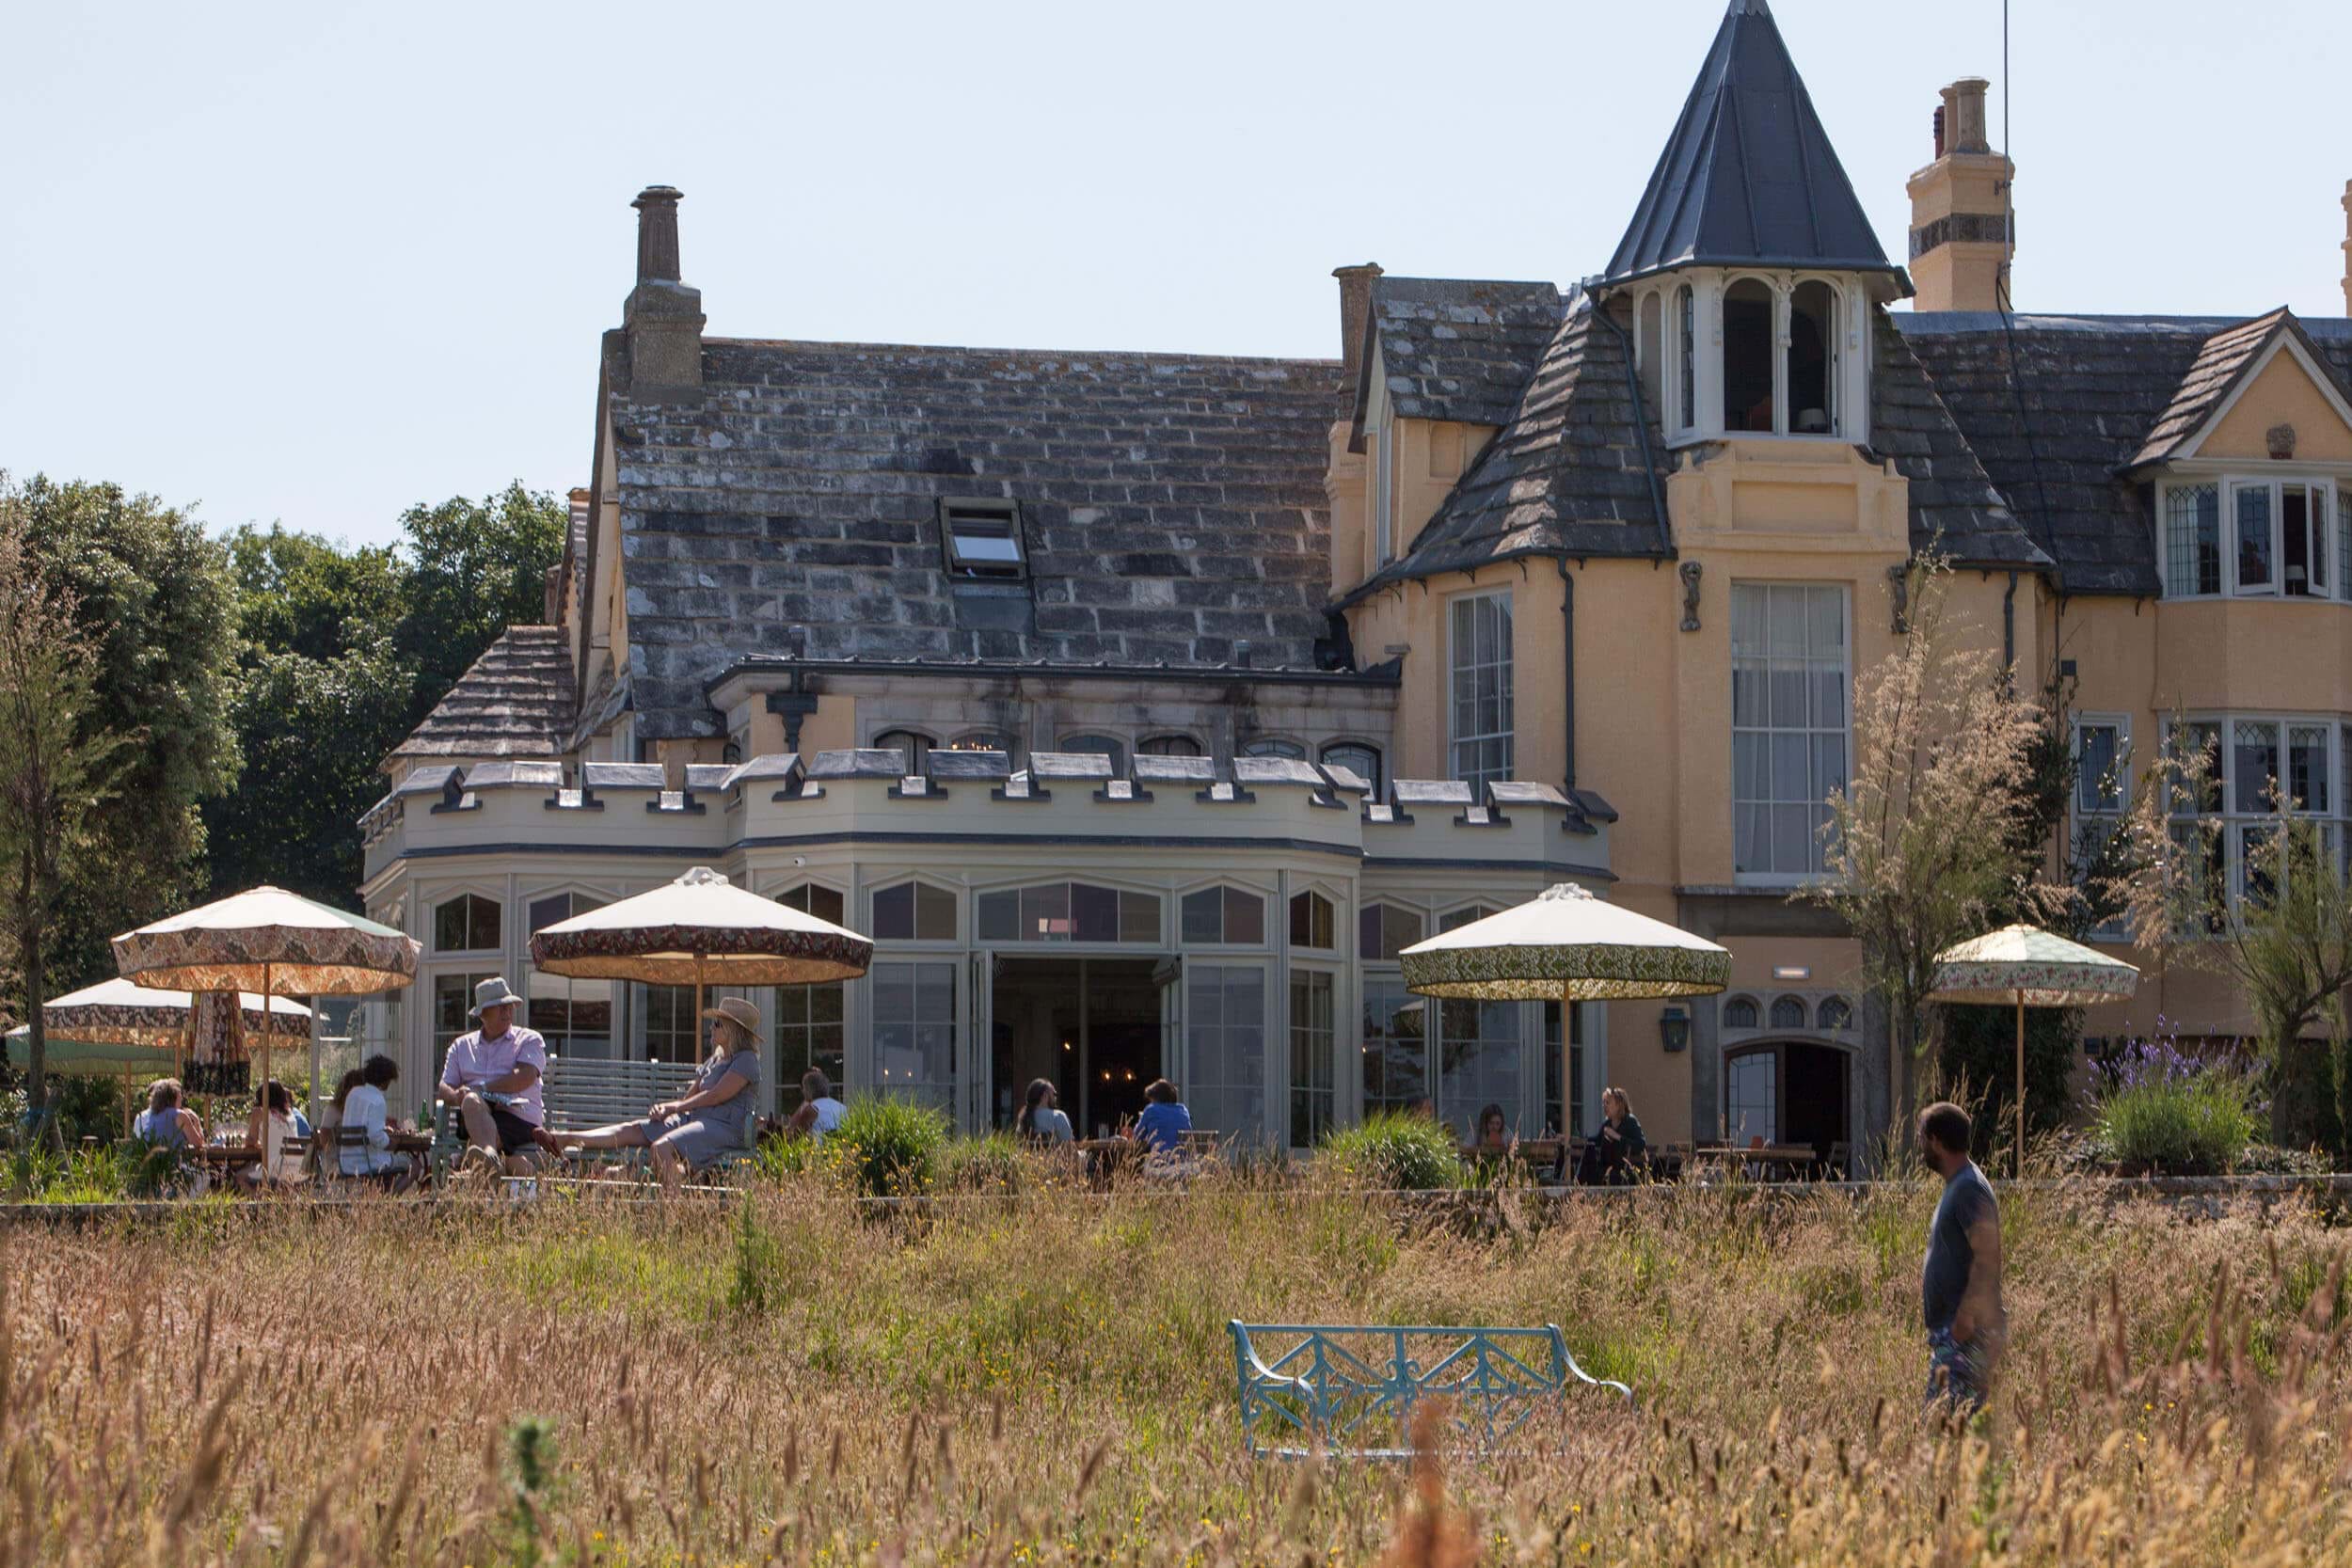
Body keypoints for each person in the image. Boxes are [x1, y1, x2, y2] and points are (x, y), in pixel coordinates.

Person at [555, 996, 764, 1192]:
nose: (712, 1027)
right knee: (634, 1129)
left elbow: (716, 1095)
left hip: (725, 1127)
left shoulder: (746, 1060)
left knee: (660, 1148)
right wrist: (665, 1108)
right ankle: (568, 1139)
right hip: (695, 1120)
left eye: (717, 1023)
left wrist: (674, 1108)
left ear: (733, 1030)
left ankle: (675, 1209)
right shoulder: (714, 1060)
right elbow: (688, 1099)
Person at [1917, 1101, 2004, 1418]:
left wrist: (1966, 1317)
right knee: (1947, 1428)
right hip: (1954, 1335)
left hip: (1966, 1335)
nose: (1920, 1146)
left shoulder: (1969, 1188)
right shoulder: (1960, 1185)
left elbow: (1988, 1255)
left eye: (1922, 1137)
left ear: (1937, 1141)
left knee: (1946, 1428)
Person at [437, 976, 548, 1176]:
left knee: (479, 1121)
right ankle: (491, 1159)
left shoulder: (528, 1039)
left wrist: (484, 1088)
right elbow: (444, 1087)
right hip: (474, 1116)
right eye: (500, 1007)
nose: (507, 1011)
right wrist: (456, 1096)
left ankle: (487, 1159)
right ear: (482, 1014)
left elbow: (526, 1076)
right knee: (470, 1101)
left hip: (518, 1117)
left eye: (509, 1006)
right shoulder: (461, 1046)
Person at [339, 1053, 417, 1191]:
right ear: (385, 1080)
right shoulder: (377, 1100)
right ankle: (389, 1199)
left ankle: (382, 1196)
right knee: (415, 1165)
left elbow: (362, 1127)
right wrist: (391, 1141)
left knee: (389, 1164)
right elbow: (376, 1137)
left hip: (347, 1161)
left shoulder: (353, 1093)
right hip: (368, 1162)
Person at [239, 1080, 309, 1191]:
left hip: (275, 1167)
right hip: (298, 1167)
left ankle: (258, 1200)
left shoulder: (259, 1112)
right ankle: (270, 1198)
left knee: (239, 1177)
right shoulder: (290, 1114)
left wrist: (250, 1141)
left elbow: (251, 1141)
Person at [1576, 1086, 1647, 1185]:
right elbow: (1596, 1140)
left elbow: (1641, 1144)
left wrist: (1617, 1136)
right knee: (1589, 1150)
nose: (1604, 1106)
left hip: (1624, 1171)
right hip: (1607, 1168)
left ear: (1619, 1105)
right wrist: (1575, 1140)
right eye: (1603, 1102)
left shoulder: (1630, 1121)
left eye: (1608, 1103)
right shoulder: (1607, 1123)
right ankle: (1578, 1186)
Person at [133, 1078, 203, 1152]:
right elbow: (198, 1143)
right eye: (180, 1094)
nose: (182, 1098)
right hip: (172, 1158)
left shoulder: (153, 1115)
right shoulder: (179, 1115)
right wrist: (196, 1119)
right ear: (173, 1096)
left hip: (151, 1158)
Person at [1128, 1079, 1191, 1155]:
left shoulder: (1152, 1109)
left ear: (1156, 1099)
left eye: (1152, 1100)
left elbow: (1137, 1137)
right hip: (1183, 1160)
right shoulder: (1183, 1110)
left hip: (1159, 1160)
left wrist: (1143, 1119)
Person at [784, 1069, 848, 1142]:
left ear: (809, 1089)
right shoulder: (842, 1107)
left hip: (818, 1147)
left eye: (804, 1088)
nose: (803, 1091)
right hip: (840, 1146)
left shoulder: (812, 1109)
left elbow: (796, 1136)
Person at [1018, 1078, 1073, 1146]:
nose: (1055, 1097)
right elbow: (1069, 1148)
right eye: (1054, 1094)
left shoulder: (1023, 1118)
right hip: (1054, 1153)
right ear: (1044, 1095)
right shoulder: (1058, 1116)